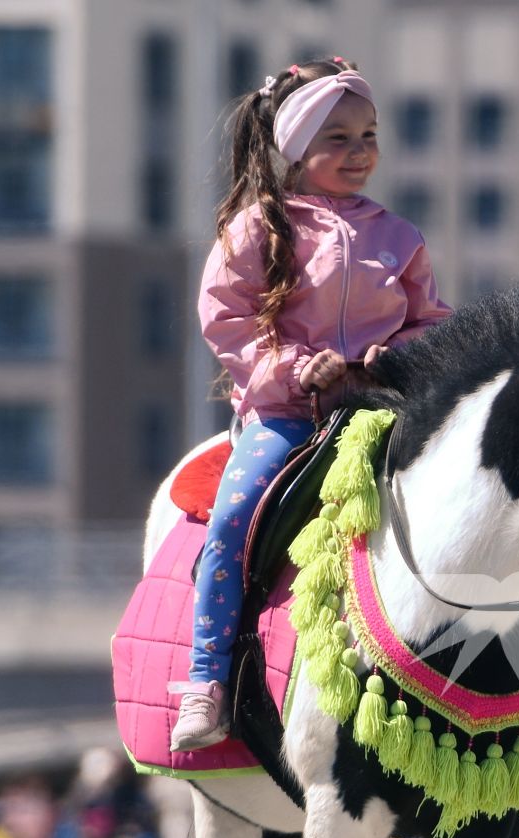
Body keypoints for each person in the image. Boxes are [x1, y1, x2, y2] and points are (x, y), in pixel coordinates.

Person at [172, 57, 451, 751]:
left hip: (385, 413)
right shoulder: (258, 227)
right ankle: (207, 678)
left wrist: (395, 359)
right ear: (296, 147)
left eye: (369, 135)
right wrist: (301, 372)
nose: (360, 152)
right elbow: (228, 322)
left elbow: (432, 322)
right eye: (339, 138)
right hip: (286, 417)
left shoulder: (400, 237)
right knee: (234, 518)